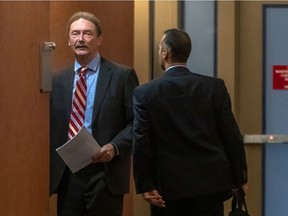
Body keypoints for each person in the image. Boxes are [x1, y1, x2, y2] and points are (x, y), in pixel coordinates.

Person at [132, 28, 248, 216]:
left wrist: (146, 185)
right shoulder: (214, 88)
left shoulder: (145, 93)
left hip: (167, 189)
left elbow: (141, 142)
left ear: (165, 52)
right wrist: (240, 177)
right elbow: (231, 135)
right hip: (210, 186)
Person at [50, 11, 139, 216]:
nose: (80, 39)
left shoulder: (121, 76)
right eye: (75, 34)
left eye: (87, 34)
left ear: (99, 39)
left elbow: (137, 123)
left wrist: (114, 147)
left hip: (105, 174)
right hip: (68, 175)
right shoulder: (56, 80)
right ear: (68, 41)